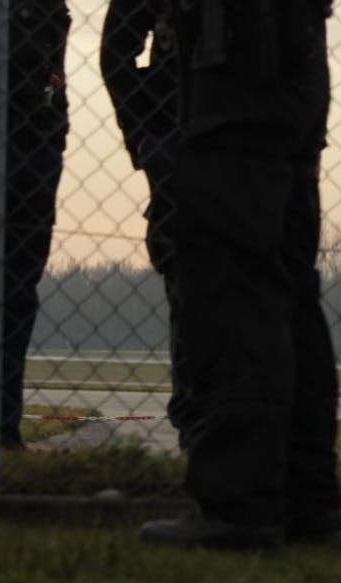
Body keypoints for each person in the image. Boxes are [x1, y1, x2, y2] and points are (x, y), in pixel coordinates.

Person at [139, 0, 341, 550]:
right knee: (289, 290)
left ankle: (242, 502)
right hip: (285, 64)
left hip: (240, 61)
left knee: (233, 291)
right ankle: (304, 500)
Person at [100, 0, 195, 451]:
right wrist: (144, 124)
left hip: (244, 136)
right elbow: (116, 48)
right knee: (189, 286)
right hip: (180, 134)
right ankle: (196, 425)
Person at [1, 0, 71, 450]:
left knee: (17, 295)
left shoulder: (48, 10)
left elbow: (52, 76)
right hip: (25, 142)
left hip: (32, 145)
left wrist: (52, 134)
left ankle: (2, 429)